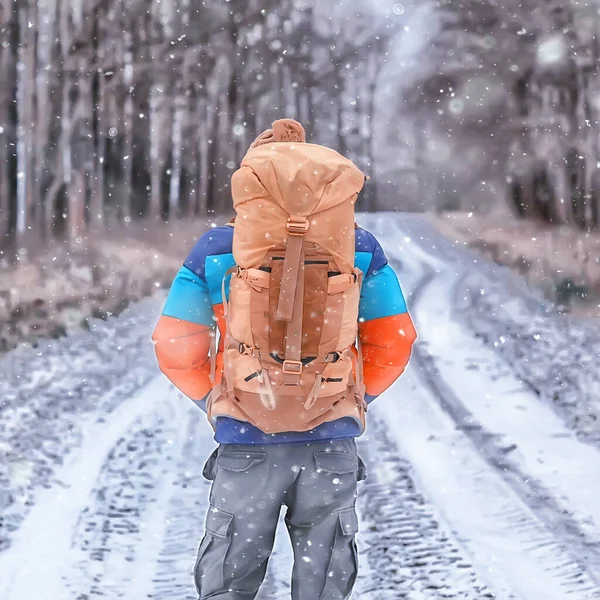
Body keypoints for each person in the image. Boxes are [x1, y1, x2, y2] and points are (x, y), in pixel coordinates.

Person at [152, 118, 416, 600]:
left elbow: (174, 346)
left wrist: (218, 401)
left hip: (246, 442)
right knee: (323, 587)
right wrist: (348, 399)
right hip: (330, 447)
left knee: (228, 584)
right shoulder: (359, 247)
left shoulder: (215, 250)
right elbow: (395, 340)